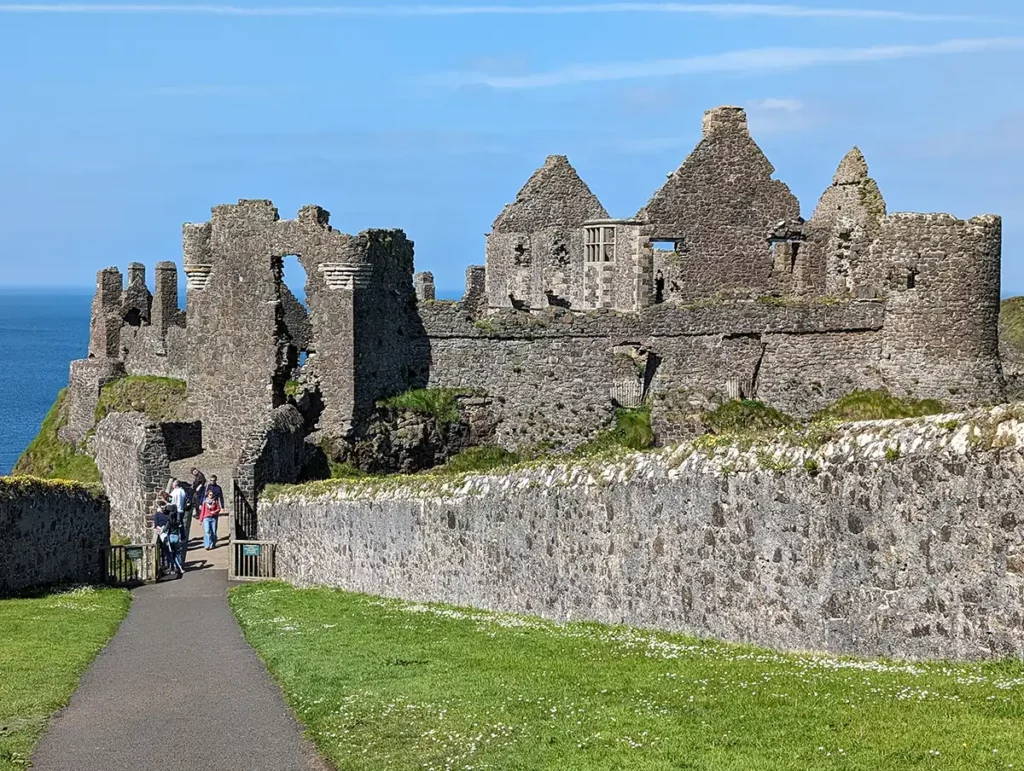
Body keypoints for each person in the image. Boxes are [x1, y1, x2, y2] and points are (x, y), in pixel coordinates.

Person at [165, 505, 186, 578]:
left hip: (170, 537)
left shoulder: (169, 520)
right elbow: (181, 528)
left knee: (171, 553)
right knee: (178, 553)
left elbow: (165, 529)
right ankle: (180, 567)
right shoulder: (178, 520)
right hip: (177, 537)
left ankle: (172, 568)